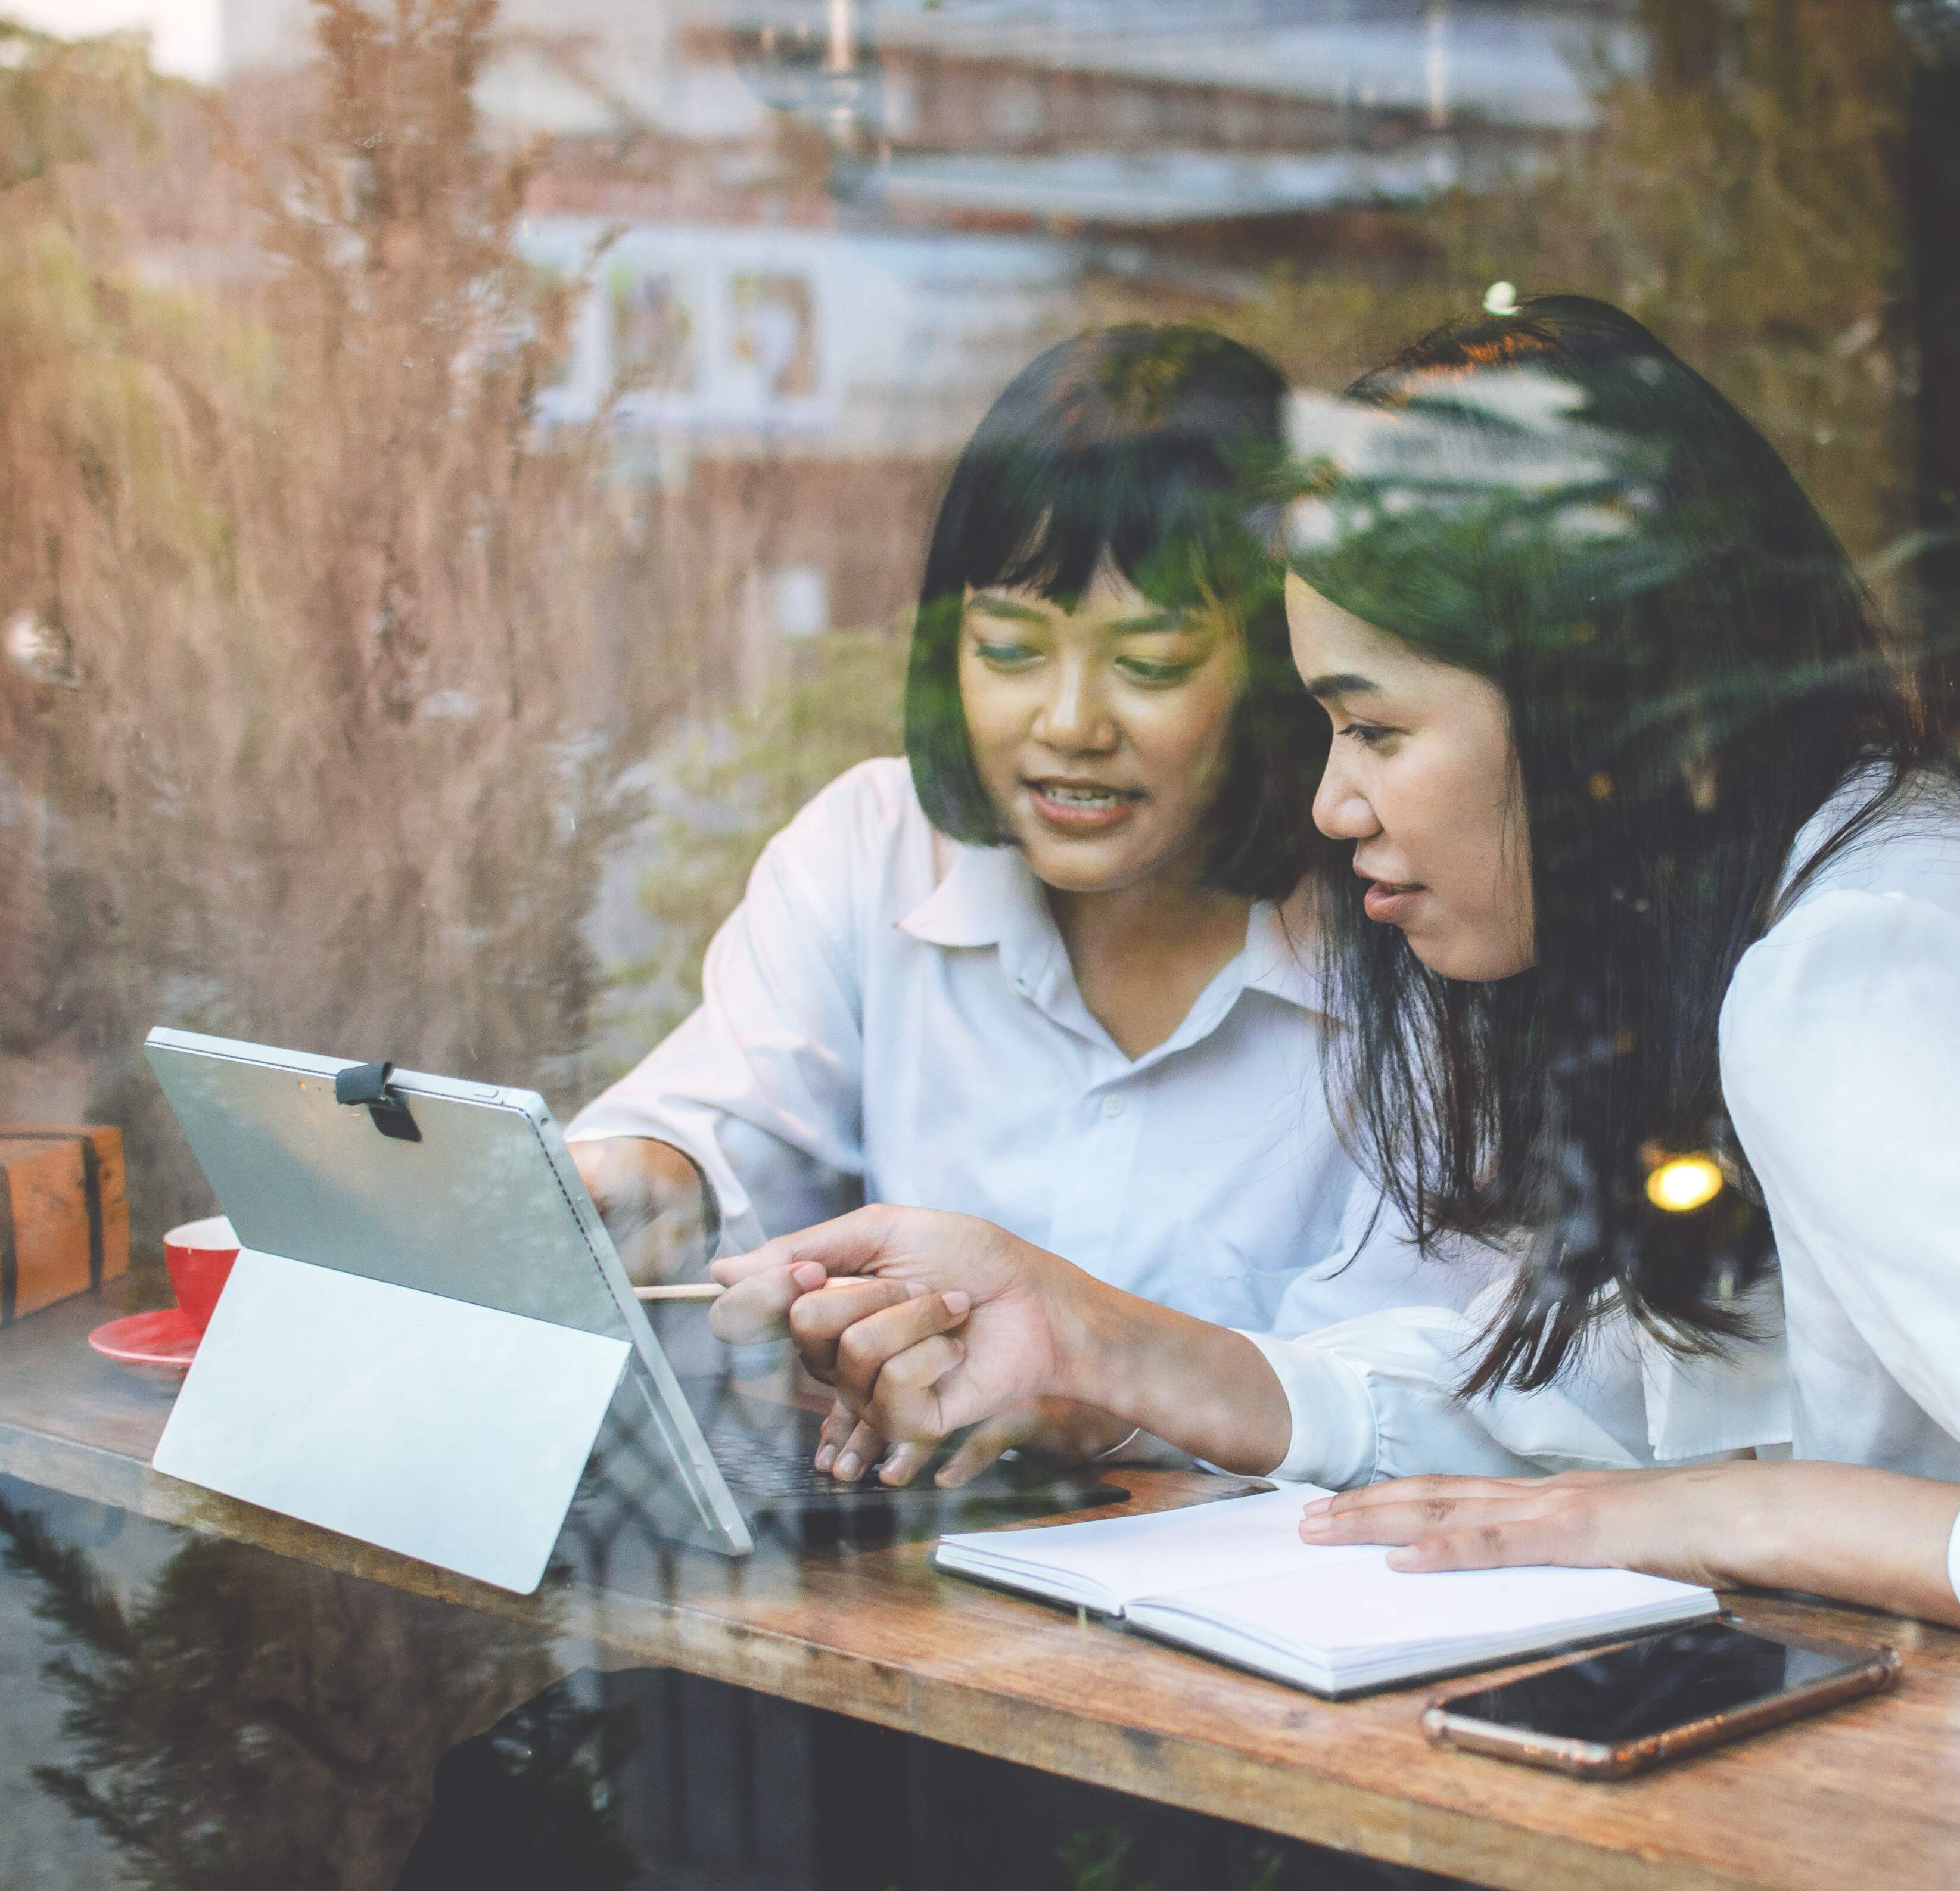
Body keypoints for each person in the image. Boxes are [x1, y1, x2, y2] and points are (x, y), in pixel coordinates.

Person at [710, 296, 1960, 1717]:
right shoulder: (1760, 930)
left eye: (1374, 727)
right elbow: (1584, 1428)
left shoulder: (1865, 977)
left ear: (1585, 711)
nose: (1333, 809)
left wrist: (1755, 1510)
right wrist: (1103, 1346)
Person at [568, 323, 1495, 1485]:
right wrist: (631, 1182)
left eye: (1149, 665)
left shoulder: (1412, 926)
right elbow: (722, 1138)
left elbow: (1444, 1393)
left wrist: (1091, 1390)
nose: (1067, 724)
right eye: (1008, 650)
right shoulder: (877, 849)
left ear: (1280, 671)